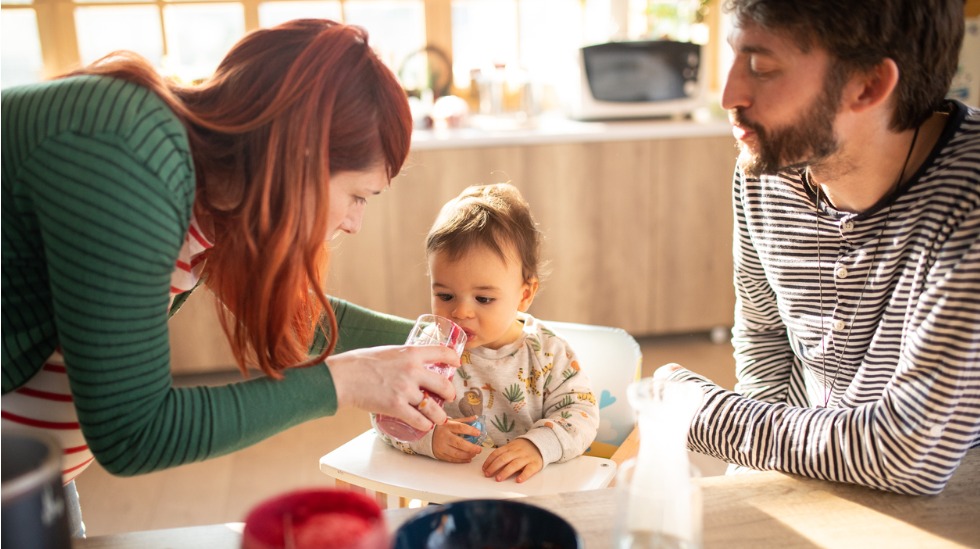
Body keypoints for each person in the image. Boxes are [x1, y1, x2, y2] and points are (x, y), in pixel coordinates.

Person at [0, 19, 459, 536]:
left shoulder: (210, 189)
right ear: (300, 158)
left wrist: (483, 344)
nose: (353, 223)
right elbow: (134, 432)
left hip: (34, 476)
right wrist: (347, 382)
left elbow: (303, 322)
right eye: (357, 195)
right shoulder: (127, 160)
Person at [656, 0, 980, 496]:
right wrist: (755, 474)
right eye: (733, 56)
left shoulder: (968, 204)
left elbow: (909, 452)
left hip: (948, 500)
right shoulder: (769, 163)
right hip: (814, 472)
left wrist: (696, 412)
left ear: (869, 85)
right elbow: (765, 334)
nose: (728, 95)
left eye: (762, 67)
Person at [373, 183, 600, 483]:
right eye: (445, 295)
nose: (461, 312)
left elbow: (581, 413)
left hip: (522, 493)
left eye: (483, 299)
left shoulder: (548, 353)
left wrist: (538, 445)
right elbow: (384, 415)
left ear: (524, 294)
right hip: (447, 493)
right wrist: (428, 439)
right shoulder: (431, 346)